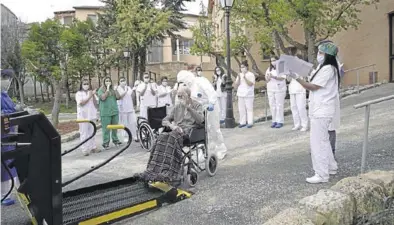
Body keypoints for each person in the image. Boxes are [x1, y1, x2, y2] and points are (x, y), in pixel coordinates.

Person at [288, 42, 340, 184]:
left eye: (321, 53)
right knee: (323, 141)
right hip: (321, 109)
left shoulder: (328, 69)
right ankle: (331, 167)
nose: (318, 55)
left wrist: (296, 77)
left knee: (318, 143)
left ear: (327, 55)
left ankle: (322, 174)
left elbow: (312, 86)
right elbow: (312, 77)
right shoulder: (325, 68)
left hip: (321, 110)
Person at [136, 86, 204, 183]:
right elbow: (165, 120)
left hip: (189, 132)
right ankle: (154, 171)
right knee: (161, 137)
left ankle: (170, 173)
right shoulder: (177, 106)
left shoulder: (197, 105)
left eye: (181, 95)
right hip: (176, 130)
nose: (179, 97)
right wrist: (172, 126)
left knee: (171, 138)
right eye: (178, 95)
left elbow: (201, 120)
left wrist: (188, 108)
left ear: (188, 96)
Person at [177, 70, 228, 160]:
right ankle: (207, 151)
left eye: (184, 80)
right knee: (204, 131)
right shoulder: (188, 87)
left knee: (214, 129)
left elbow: (211, 92)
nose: (184, 83)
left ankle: (221, 149)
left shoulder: (200, 81)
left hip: (211, 106)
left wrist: (211, 103)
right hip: (200, 110)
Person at [286, 48, 308, 131]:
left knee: (301, 107)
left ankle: (304, 125)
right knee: (293, 107)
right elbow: (288, 80)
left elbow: (304, 77)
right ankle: (297, 124)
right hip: (292, 89)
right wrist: (288, 73)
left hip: (300, 89)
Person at [75, 79, 99, 156]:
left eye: (87, 84)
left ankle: (93, 147)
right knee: (84, 133)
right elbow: (81, 103)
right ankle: (85, 149)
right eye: (84, 84)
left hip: (92, 115)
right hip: (83, 117)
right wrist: (90, 96)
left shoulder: (91, 92)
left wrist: (93, 95)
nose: (86, 85)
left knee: (92, 132)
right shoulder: (79, 93)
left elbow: (96, 104)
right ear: (81, 85)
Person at [98, 77, 122, 150]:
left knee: (115, 127)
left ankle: (116, 140)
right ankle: (105, 143)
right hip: (105, 112)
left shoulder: (113, 89)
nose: (108, 82)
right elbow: (103, 98)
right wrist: (107, 90)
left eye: (109, 81)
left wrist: (115, 90)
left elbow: (119, 97)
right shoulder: (101, 90)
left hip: (114, 111)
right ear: (104, 82)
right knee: (106, 129)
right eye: (106, 81)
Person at [265, 57, 286, 129]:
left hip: (279, 89)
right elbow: (266, 80)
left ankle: (280, 121)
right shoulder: (268, 69)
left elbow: (283, 78)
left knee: (279, 105)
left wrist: (274, 77)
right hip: (271, 89)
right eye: (271, 61)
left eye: (274, 60)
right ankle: (274, 120)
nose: (272, 62)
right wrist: (268, 78)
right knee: (272, 105)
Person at [117, 77, 139, 143]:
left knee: (133, 123)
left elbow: (131, 95)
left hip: (130, 108)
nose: (123, 82)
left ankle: (135, 136)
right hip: (122, 109)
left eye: (124, 80)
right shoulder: (118, 89)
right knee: (124, 124)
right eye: (121, 81)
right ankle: (126, 137)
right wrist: (125, 91)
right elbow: (120, 97)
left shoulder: (128, 87)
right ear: (119, 82)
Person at [234, 61, 256, 128]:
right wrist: (239, 78)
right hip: (240, 94)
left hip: (248, 94)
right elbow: (236, 85)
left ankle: (250, 122)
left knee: (249, 108)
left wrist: (244, 77)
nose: (242, 68)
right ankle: (242, 122)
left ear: (247, 67)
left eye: (243, 67)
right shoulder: (239, 75)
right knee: (241, 109)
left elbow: (250, 84)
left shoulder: (251, 74)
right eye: (241, 67)